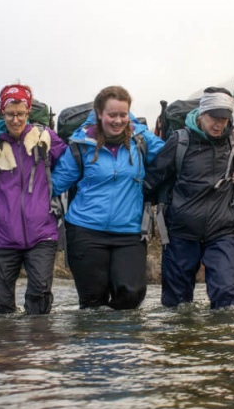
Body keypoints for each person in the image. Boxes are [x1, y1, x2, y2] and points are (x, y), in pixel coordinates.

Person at [51, 85, 164, 310]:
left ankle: (122, 346)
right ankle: (94, 345)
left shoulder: (142, 141)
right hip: (85, 230)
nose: (118, 120)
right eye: (112, 115)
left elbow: (172, 160)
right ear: (100, 114)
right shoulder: (81, 145)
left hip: (130, 231)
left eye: (123, 115)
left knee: (132, 296)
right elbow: (54, 185)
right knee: (93, 304)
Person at [0, 84, 67, 315]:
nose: (15, 119)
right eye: (10, 114)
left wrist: (52, 189)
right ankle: (6, 349)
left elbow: (69, 164)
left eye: (20, 114)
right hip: (0, 234)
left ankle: (37, 349)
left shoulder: (45, 138)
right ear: (3, 113)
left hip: (42, 232)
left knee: (40, 299)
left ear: (28, 112)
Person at [144, 87, 234, 309]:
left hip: (223, 231)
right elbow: (152, 179)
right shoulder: (180, 142)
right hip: (181, 232)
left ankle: (225, 341)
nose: (219, 124)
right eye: (214, 117)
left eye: (225, 118)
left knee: (227, 299)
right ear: (202, 113)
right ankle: (182, 343)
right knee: (177, 304)